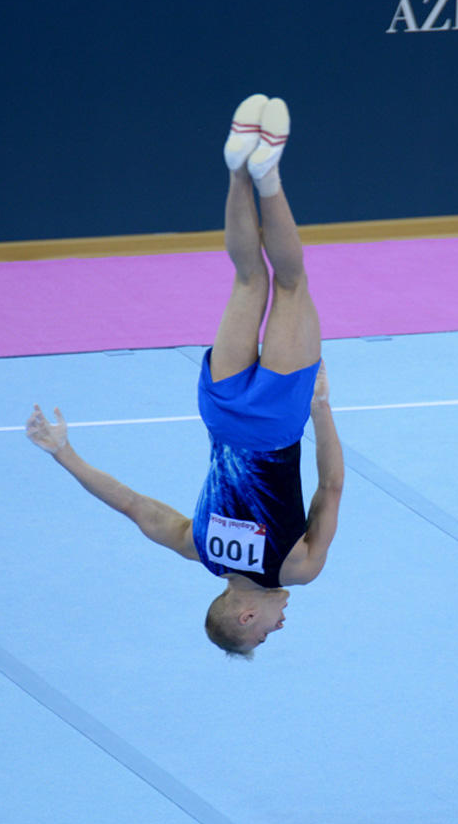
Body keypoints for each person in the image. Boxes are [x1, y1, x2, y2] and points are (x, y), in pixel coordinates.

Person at [27, 95, 344, 658]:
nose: (279, 626)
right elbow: (129, 504)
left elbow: (332, 487)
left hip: (276, 422)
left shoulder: (297, 567)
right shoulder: (198, 546)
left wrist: (320, 408)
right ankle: (238, 168)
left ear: (245, 614)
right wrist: (63, 453)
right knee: (249, 280)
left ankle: (268, 174)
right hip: (219, 412)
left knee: (291, 284)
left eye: (267, 631)